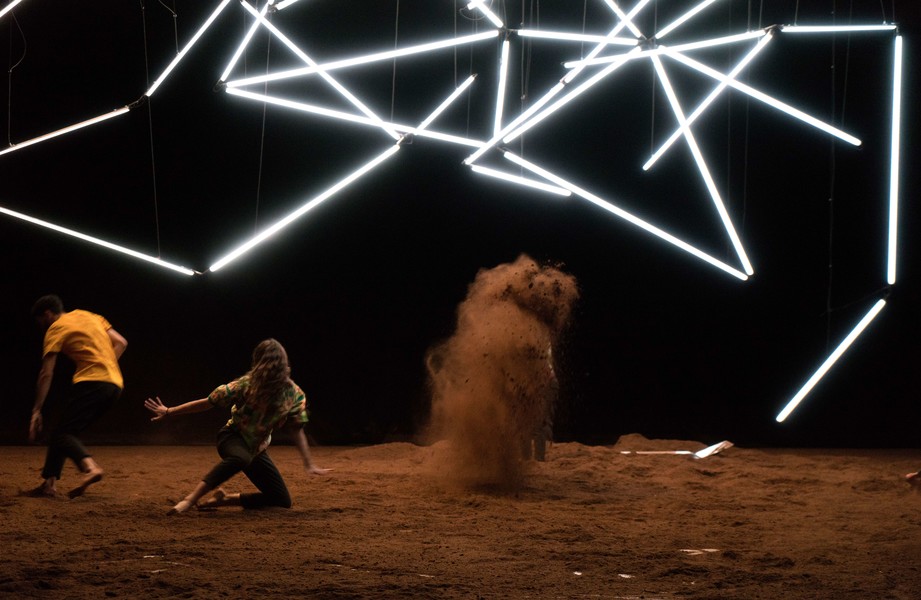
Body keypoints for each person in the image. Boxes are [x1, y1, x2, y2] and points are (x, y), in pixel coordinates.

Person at [145, 338, 328, 515]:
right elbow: (208, 402)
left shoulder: (293, 394)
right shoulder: (247, 384)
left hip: (256, 449)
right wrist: (169, 411)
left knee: (281, 500)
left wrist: (309, 463)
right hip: (232, 438)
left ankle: (225, 499)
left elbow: (297, 429)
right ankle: (190, 499)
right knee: (241, 458)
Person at [28, 294, 128, 498]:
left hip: (92, 382)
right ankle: (49, 484)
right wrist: (106, 364)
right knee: (63, 430)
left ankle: (91, 468)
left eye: (40, 322)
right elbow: (121, 342)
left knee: (62, 434)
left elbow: (46, 373)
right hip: (115, 385)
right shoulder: (89, 315)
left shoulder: (55, 327)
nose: (41, 327)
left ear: (47, 314)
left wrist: (37, 409)